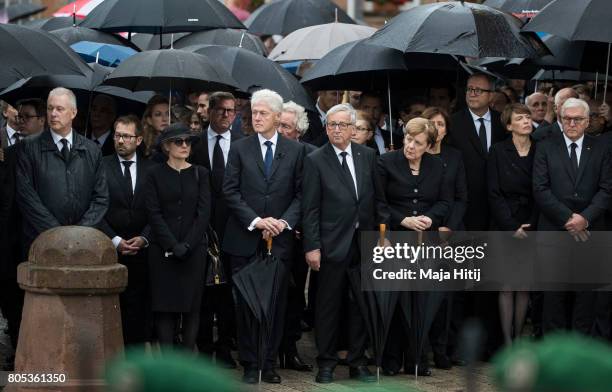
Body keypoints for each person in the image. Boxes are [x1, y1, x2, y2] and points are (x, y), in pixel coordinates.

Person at [303, 103, 389, 384]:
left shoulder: (368, 156)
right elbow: (310, 208)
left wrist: (382, 236)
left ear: (353, 129)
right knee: (328, 306)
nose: (336, 129)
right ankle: (326, 363)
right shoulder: (316, 159)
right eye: (331, 125)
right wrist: (312, 246)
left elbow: (379, 201)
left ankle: (357, 361)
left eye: (342, 125)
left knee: (360, 305)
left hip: (363, 243)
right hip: (330, 245)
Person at [222, 89, 304, 384]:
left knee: (275, 303)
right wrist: (257, 221)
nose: (256, 117)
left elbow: (301, 194)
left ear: (278, 116)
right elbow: (229, 191)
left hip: (279, 241)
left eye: (263, 113)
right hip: (245, 239)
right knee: (245, 304)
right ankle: (249, 363)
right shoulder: (240, 148)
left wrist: (282, 222)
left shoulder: (295, 151)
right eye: (254, 112)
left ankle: (268, 363)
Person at [378, 118, 451, 377]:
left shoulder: (437, 166)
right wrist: (402, 219)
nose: (410, 145)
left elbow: (444, 202)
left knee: (421, 300)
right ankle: (390, 359)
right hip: (396, 239)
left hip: (425, 241)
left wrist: (431, 218)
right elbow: (379, 202)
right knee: (397, 301)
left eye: (417, 142)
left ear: (429, 145)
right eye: (408, 139)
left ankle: (416, 359)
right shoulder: (387, 162)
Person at [533, 98, 612, 337]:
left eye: (578, 119)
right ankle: (554, 355)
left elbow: (607, 188)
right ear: (560, 119)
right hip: (554, 232)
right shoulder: (546, 146)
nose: (572, 123)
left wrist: (585, 219)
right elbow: (540, 188)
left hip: (590, 232)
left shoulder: (601, 147)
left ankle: (580, 355)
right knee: (553, 297)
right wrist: (569, 218)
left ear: (588, 121)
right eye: (567, 118)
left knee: (585, 298)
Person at [16, 87, 108, 253]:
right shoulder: (29, 147)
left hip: (83, 245)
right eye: (50, 108)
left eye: (60, 109)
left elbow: (100, 198)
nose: (53, 114)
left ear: (73, 113)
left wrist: (79, 234)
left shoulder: (92, 150)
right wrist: (57, 234)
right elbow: (26, 196)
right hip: (40, 243)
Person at [144, 123, 211, 351]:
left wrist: (189, 245)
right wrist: (172, 244)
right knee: (164, 307)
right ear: (166, 146)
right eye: (179, 141)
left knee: (192, 307)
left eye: (188, 141)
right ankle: (168, 364)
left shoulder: (201, 173)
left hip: (194, 250)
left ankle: (185, 364)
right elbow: (153, 212)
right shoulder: (154, 174)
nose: (185, 145)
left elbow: (204, 213)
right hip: (161, 250)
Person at [190, 91, 240, 369]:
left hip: (233, 228)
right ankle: (204, 346)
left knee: (227, 294)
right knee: (204, 293)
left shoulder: (243, 145)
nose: (225, 115)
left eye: (231, 111)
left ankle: (224, 348)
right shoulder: (194, 144)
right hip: (203, 229)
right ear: (207, 111)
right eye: (220, 110)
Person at [99, 115, 156, 347]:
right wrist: (115, 240)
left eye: (126, 136)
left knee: (140, 310)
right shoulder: (101, 166)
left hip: (143, 252)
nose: (120, 140)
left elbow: (158, 211)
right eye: (117, 135)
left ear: (139, 139)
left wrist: (144, 237)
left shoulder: (153, 169)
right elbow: (95, 208)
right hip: (110, 250)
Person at [0, 98, 46, 367]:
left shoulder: (55, 153)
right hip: (16, 238)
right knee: (15, 301)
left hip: (44, 237)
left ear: (41, 120)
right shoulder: (13, 153)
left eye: (27, 117)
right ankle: (20, 355)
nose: (21, 121)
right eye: (20, 116)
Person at [487, 104, 538, 345]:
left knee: (524, 286)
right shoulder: (498, 151)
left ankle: (518, 339)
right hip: (504, 224)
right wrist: (510, 226)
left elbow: (544, 189)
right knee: (506, 286)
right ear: (509, 126)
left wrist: (531, 224)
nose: (527, 121)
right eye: (520, 118)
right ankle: (507, 342)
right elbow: (493, 192)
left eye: (528, 117)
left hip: (532, 223)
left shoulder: (541, 149)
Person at [422, 106, 468, 369]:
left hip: (449, 234)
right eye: (431, 123)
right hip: (422, 233)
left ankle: (443, 349)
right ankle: (422, 347)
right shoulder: (414, 154)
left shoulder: (455, 157)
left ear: (447, 129)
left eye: (441, 124)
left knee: (448, 297)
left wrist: (449, 226)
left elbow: (461, 197)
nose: (436, 129)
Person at [277, 100, 313, 372]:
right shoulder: (264, 152)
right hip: (270, 235)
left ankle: (290, 349)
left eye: (285, 126)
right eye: (277, 124)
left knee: (294, 297)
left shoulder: (310, 155)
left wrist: (298, 223)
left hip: (298, 238)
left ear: (298, 131)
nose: (279, 130)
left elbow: (311, 198)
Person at [450, 73, 506, 230]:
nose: (472, 93)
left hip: (498, 202)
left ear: (491, 96)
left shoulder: (502, 122)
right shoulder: (453, 122)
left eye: (478, 90)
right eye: (469, 89)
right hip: (466, 201)